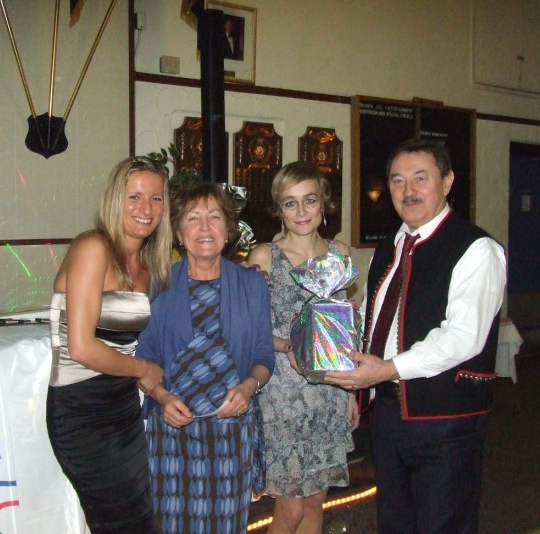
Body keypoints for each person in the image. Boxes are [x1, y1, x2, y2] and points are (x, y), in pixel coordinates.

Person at [325, 139, 507, 533]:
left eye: (420, 178)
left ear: (447, 182)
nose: (408, 190)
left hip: (446, 420)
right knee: (395, 522)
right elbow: (374, 322)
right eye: (398, 180)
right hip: (388, 415)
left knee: (443, 524)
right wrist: (357, 388)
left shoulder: (476, 249)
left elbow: (463, 338)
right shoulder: (389, 247)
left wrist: (387, 369)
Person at [137, 182, 275, 533]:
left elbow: (263, 355)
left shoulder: (252, 285)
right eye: (192, 218)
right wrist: (162, 398)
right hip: (173, 431)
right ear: (178, 233)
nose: (204, 227)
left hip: (230, 431)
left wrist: (248, 387)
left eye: (214, 217)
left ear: (228, 231)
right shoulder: (155, 285)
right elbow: (144, 358)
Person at [45, 156, 172, 534]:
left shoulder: (148, 265)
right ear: (115, 200)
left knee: (139, 519)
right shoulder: (93, 247)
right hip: (81, 410)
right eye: (135, 197)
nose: (146, 208)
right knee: (121, 523)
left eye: (156, 198)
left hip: (123, 407)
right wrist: (144, 370)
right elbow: (81, 347)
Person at [247, 162, 359, 534]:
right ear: (279, 208)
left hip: (328, 391)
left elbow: (341, 327)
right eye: (290, 203)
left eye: (309, 200)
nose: (301, 211)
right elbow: (249, 331)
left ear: (323, 203)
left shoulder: (339, 252)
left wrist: (350, 392)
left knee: (314, 507)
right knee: (290, 511)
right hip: (283, 395)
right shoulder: (264, 257)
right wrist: (287, 346)